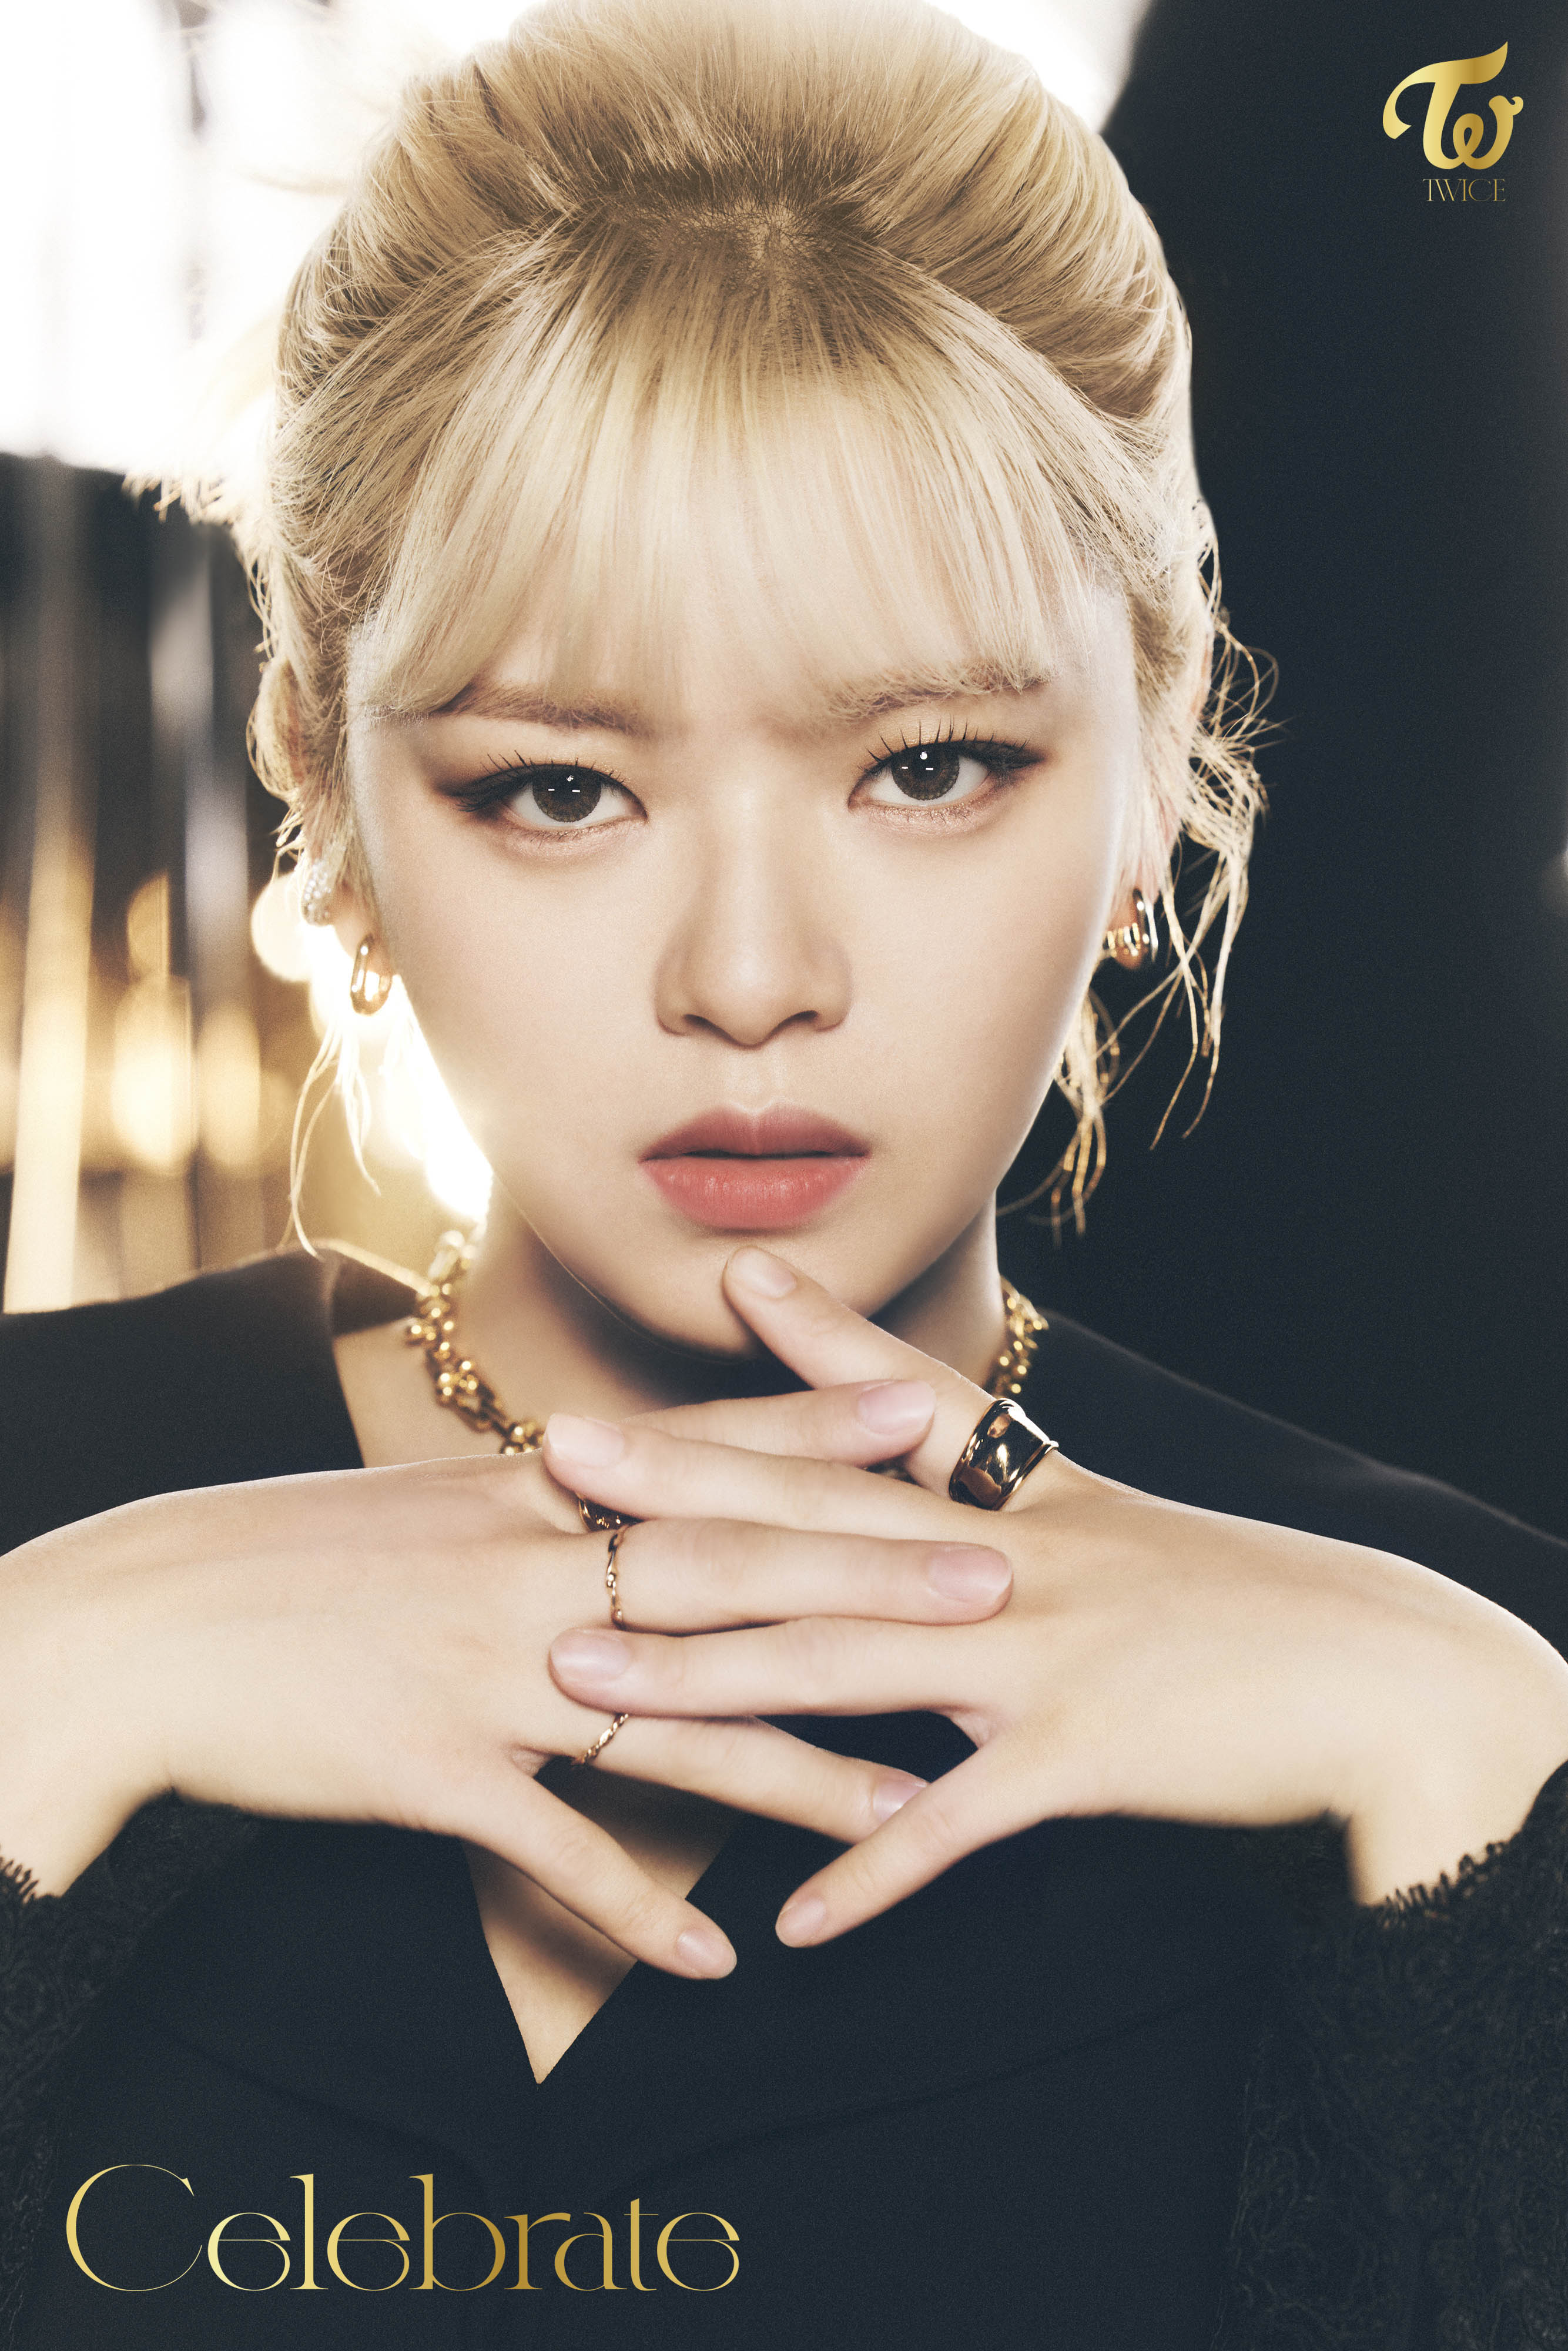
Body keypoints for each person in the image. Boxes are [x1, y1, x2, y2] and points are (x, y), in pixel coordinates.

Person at [2, 0, 1567, 2343]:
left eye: (926, 765)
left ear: (1152, 767)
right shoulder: (34, 1521)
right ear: (322, 786)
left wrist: (1484, 1791)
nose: (748, 977)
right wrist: (40, 1703)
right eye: (560, 786)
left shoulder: (1461, 1671)